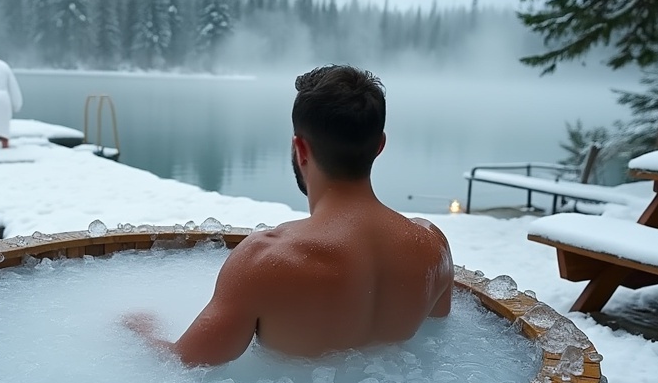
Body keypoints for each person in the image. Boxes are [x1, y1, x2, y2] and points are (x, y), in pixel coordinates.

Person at [124, 64, 453, 366]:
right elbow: (438, 341)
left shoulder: (265, 261)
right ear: (379, 145)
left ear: (301, 149)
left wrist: (139, 331)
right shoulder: (433, 248)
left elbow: (183, 367)